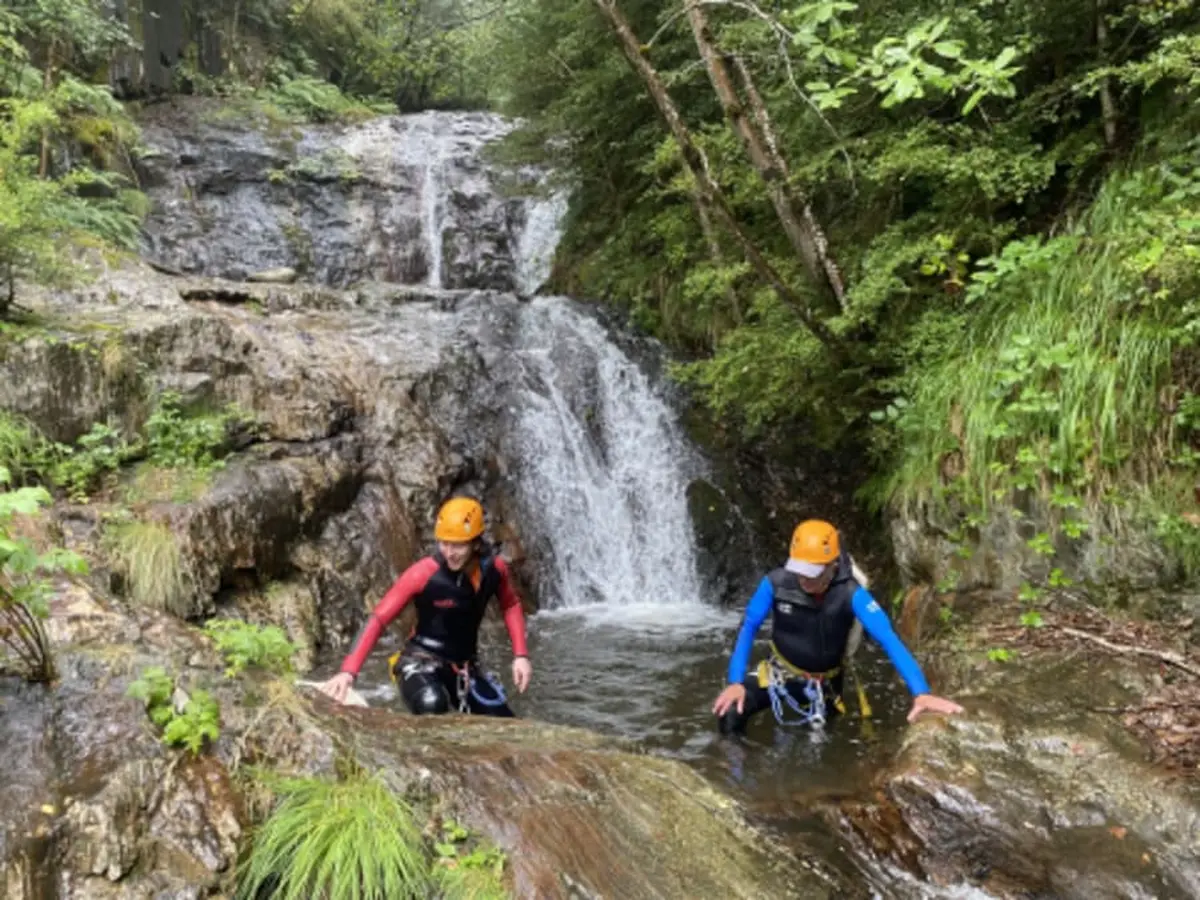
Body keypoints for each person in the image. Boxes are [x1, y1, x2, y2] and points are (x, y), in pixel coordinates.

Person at [713, 519, 962, 733]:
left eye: (812, 573)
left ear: (832, 566)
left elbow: (888, 638)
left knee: (819, 745)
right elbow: (749, 626)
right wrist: (735, 682)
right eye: (799, 571)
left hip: (825, 685)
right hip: (779, 674)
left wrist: (921, 692)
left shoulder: (851, 593)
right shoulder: (776, 582)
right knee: (730, 714)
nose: (804, 579)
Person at [318, 496, 533, 715]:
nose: (449, 552)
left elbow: (510, 604)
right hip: (419, 663)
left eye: (457, 545)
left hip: (464, 667)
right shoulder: (423, 573)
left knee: (505, 720)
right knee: (432, 703)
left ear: (476, 543)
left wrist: (521, 656)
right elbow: (379, 618)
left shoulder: (495, 569)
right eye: (444, 543)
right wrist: (348, 672)